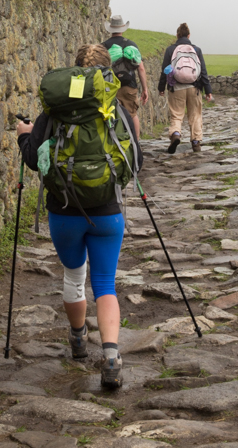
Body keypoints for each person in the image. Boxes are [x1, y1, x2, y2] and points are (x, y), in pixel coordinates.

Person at [15, 43, 142, 388]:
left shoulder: (54, 111)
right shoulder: (115, 109)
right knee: (104, 284)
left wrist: (24, 137)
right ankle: (112, 355)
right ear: (107, 73)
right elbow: (136, 161)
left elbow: (34, 160)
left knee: (74, 277)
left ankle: (77, 339)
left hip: (64, 212)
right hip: (107, 213)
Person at [157, 23, 213, 154]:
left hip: (176, 88)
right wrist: (208, 90)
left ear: (177, 35)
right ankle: (196, 142)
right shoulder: (196, 50)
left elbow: (165, 71)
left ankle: (176, 134)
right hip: (194, 88)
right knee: (195, 115)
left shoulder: (171, 50)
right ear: (189, 35)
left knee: (176, 115)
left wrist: (161, 87)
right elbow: (203, 71)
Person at [102, 15, 150, 140]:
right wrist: (145, 89)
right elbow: (141, 68)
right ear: (122, 29)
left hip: (110, 87)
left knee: (109, 115)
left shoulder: (103, 47)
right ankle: (136, 143)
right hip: (129, 86)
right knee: (132, 114)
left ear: (110, 30)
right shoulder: (131, 45)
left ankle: (112, 142)